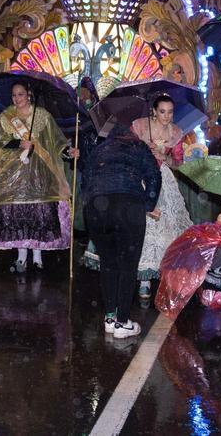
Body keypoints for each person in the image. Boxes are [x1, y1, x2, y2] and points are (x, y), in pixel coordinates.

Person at [0, 81, 78, 271]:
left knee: (38, 214)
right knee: (18, 215)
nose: (17, 99)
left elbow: (56, 141)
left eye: (21, 94)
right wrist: (18, 143)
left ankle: (38, 254)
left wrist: (68, 151)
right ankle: (22, 254)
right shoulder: (6, 117)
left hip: (39, 175)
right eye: (14, 95)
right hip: (13, 175)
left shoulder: (43, 116)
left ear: (29, 95)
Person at [82, 123, 162, 338]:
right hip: (128, 206)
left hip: (96, 207)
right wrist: (148, 205)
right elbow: (154, 177)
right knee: (128, 264)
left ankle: (109, 317)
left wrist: (89, 204)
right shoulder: (139, 146)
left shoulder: (99, 148)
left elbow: (86, 178)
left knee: (108, 262)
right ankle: (123, 322)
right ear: (132, 133)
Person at [131, 94, 194, 300]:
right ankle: (144, 280)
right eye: (162, 111)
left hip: (164, 180)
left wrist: (164, 156)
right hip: (141, 179)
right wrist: (145, 151)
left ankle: (166, 275)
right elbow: (128, 151)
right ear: (154, 111)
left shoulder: (175, 132)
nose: (167, 116)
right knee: (144, 228)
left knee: (167, 227)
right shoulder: (140, 127)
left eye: (170, 112)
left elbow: (178, 162)